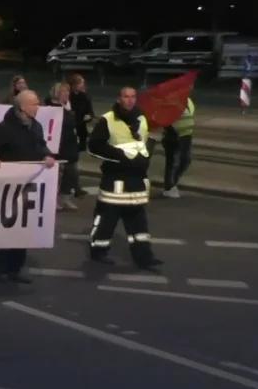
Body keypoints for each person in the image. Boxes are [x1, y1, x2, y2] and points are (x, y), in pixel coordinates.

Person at [0, 90, 58, 283]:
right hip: (8, 187)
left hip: (28, 185)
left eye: (37, 103)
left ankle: (15, 268)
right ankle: (0, 268)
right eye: (34, 104)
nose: (37, 107)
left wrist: (47, 156)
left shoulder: (36, 127)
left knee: (23, 228)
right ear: (22, 107)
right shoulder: (6, 128)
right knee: (7, 228)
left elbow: (40, 146)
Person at [88, 87, 162, 270]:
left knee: (139, 223)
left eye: (132, 97)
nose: (129, 100)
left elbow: (141, 145)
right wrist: (120, 155)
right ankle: (98, 251)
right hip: (115, 180)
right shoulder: (108, 119)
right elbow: (94, 146)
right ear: (119, 98)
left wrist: (146, 153)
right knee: (107, 220)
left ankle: (144, 257)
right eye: (125, 97)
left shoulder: (142, 119)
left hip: (136, 179)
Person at [47, 82, 80, 210]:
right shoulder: (52, 108)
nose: (66, 94)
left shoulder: (68, 107)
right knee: (58, 174)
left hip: (70, 146)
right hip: (58, 146)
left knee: (72, 172)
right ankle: (53, 199)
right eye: (63, 92)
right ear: (57, 93)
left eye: (67, 91)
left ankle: (65, 197)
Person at [161, 96, 195, 199]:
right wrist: (171, 131)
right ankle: (169, 187)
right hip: (173, 136)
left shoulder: (189, 101)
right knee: (172, 162)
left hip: (187, 136)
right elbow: (164, 118)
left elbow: (190, 116)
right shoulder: (170, 100)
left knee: (186, 160)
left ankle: (172, 182)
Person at [68, 73, 95, 158]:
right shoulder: (68, 96)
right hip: (71, 122)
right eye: (80, 83)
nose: (82, 85)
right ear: (73, 85)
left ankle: (81, 145)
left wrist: (89, 116)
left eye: (83, 83)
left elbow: (90, 111)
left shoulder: (85, 96)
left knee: (82, 131)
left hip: (80, 124)